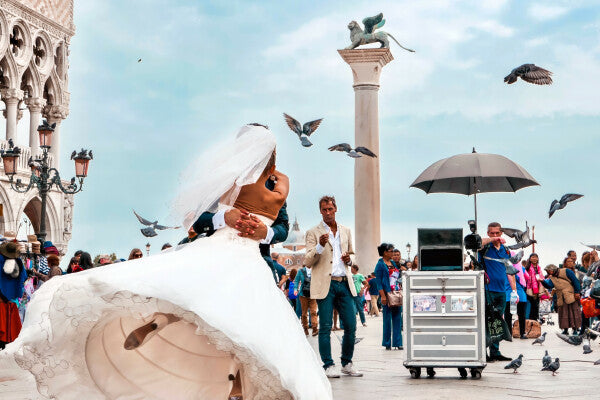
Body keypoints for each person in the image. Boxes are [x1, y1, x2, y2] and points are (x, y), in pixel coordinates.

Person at [2, 125, 331, 399]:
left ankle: (163, 323)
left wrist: (265, 230)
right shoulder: (243, 179)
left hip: (236, 254)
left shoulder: (259, 182)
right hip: (233, 256)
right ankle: (236, 383)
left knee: (206, 305)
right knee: (240, 320)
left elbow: (282, 227)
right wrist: (224, 218)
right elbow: (199, 215)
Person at [304, 195, 362, 379]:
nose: (327, 213)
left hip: (344, 282)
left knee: (351, 326)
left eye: (330, 209)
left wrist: (349, 260)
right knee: (325, 326)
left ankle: (347, 362)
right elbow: (307, 261)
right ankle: (328, 365)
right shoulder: (313, 232)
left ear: (336, 209)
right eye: (324, 210)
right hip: (325, 285)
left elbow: (351, 255)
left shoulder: (345, 231)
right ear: (320, 211)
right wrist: (320, 246)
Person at [479, 222, 516, 362]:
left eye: (497, 233)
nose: (495, 235)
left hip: (501, 291)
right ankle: (484, 351)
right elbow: (477, 242)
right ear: (488, 233)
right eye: (492, 233)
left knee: (498, 321)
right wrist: (492, 240)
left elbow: (510, 272)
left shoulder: (505, 250)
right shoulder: (484, 247)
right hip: (487, 290)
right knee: (486, 320)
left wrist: (514, 291)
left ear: (501, 233)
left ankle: (495, 351)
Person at [374, 243, 403, 350]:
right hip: (387, 294)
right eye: (391, 251)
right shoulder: (380, 265)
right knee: (387, 319)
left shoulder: (392, 263)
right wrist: (383, 296)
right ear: (385, 252)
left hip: (395, 293)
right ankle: (387, 343)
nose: (393, 253)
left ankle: (398, 342)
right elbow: (378, 282)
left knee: (397, 318)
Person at [541, 263, 581, 335]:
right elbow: (549, 285)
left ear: (552, 270)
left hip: (570, 295)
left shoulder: (566, 271)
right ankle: (565, 330)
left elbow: (575, 281)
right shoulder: (552, 278)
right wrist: (542, 281)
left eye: (548, 271)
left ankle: (575, 329)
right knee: (563, 314)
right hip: (561, 297)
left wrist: (577, 292)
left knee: (573, 313)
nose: (547, 273)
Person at [504, 256, 528, 339]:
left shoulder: (505, 269)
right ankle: (522, 333)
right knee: (522, 315)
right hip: (520, 295)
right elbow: (527, 279)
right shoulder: (522, 269)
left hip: (509, 294)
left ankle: (508, 334)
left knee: (508, 316)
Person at [295, 265, 318, 337]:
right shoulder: (301, 271)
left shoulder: (316, 269)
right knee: (304, 314)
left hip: (313, 295)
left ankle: (314, 328)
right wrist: (295, 289)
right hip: (303, 295)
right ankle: (305, 328)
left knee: (313, 312)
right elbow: (296, 280)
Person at [524, 253, 544, 321]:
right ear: (530, 259)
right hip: (529, 290)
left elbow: (542, 278)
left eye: (536, 257)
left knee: (536, 307)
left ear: (538, 259)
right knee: (530, 307)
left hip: (537, 290)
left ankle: (535, 322)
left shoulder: (539, 268)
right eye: (533, 257)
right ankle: (529, 322)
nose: (534, 258)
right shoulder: (527, 268)